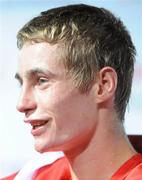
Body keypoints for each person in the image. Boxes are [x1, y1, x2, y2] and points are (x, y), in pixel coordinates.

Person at [3, 4, 142, 180]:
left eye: (41, 81)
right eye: (21, 83)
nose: (22, 104)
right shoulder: (30, 176)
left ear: (103, 85)